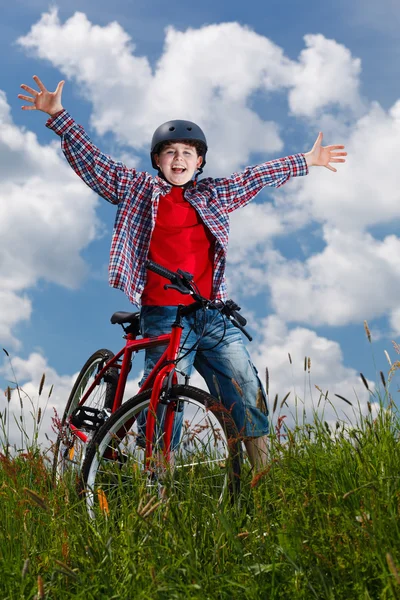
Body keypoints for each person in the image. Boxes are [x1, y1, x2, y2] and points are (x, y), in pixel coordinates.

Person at [18, 75, 346, 470]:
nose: (179, 160)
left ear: (200, 161)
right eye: (170, 152)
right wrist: (58, 116)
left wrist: (307, 160)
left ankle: (263, 475)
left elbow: (254, 177)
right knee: (163, 394)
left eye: (188, 153)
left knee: (244, 385)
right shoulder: (137, 188)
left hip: (211, 312)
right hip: (162, 312)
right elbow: (95, 164)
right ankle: (159, 477)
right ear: (157, 160)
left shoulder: (214, 194)